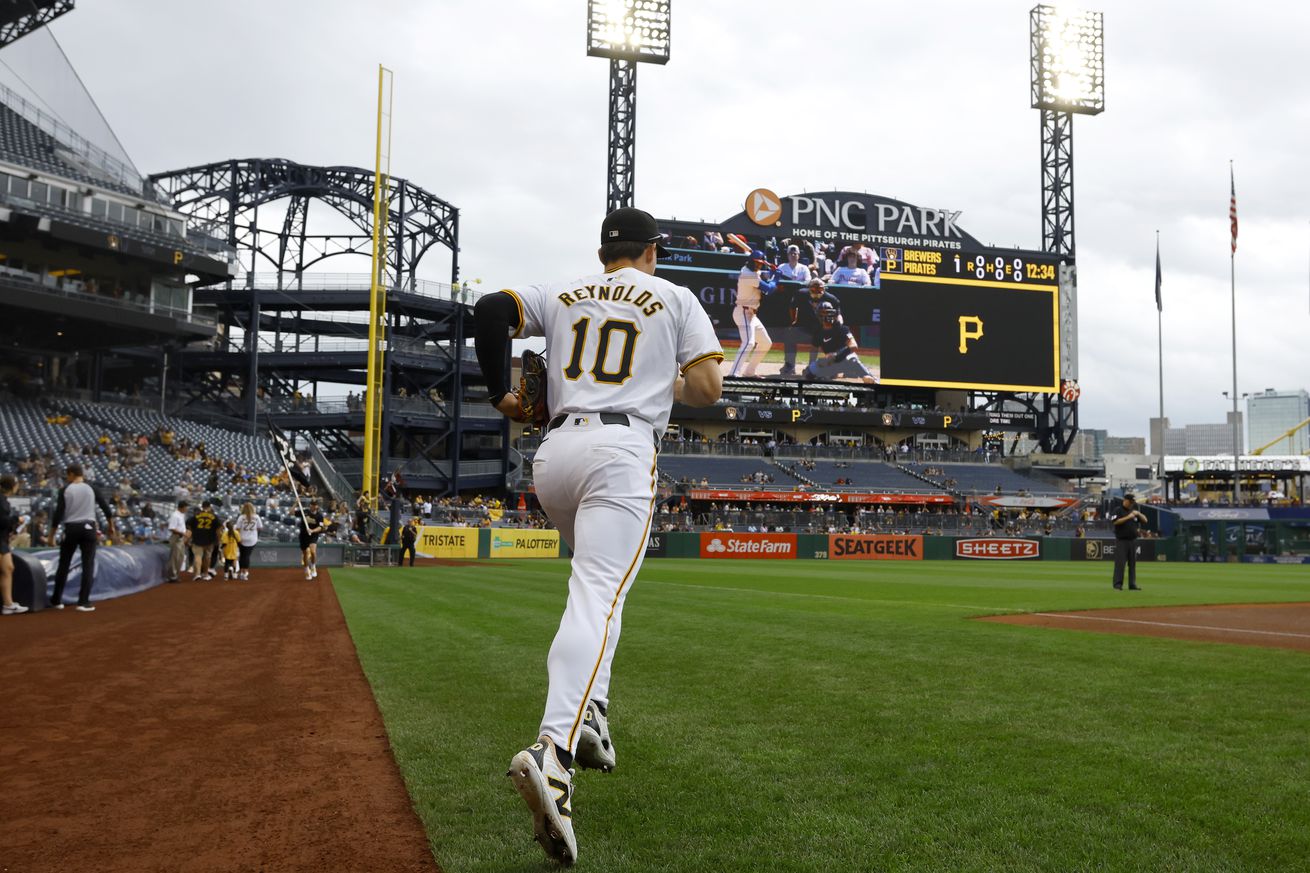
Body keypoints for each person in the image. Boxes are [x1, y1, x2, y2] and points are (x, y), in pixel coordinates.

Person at [474, 206, 723, 865]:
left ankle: (594, 711)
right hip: (620, 448)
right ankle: (553, 751)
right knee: (595, 593)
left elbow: (488, 311)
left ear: (604, 251)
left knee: (598, 586)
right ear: (653, 250)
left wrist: (502, 391)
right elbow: (707, 385)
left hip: (554, 455)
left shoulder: (563, 290)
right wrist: (661, 368)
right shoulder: (673, 295)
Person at [50, 463, 115, 612]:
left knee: (64, 564)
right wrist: (111, 526)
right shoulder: (91, 488)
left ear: (72, 474)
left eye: (67, 475)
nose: (67, 478)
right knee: (88, 564)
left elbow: (58, 513)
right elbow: (106, 508)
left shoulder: (65, 490)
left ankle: (56, 599)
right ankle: (83, 601)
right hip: (88, 528)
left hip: (71, 528)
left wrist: (52, 535)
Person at [781, 278, 843, 376]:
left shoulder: (832, 299)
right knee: (790, 334)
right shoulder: (801, 294)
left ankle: (820, 367)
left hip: (822, 329)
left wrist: (839, 324)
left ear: (824, 289)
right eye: (814, 289)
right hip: (804, 327)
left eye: (820, 289)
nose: (817, 292)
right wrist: (793, 320)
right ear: (809, 288)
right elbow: (792, 307)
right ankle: (789, 365)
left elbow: (838, 315)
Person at [802, 302, 877, 383]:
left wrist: (836, 355)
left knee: (852, 358)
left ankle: (868, 377)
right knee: (808, 373)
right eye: (822, 313)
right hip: (829, 362)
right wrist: (812, 365)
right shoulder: (818, 332)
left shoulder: (842, 329)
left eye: (828, 313)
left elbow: (854, 346)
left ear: (833, 314)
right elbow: (814, 350)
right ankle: (827, 375)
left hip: (845, 360)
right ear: (818, 315)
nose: (826, 316)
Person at [727, 250, 775, 377]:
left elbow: (761, 273)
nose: (758, 266)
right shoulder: (747, 274)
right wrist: (777, 277)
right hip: (743, 312)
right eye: (756, 263)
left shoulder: (751, 270)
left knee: (766, 342)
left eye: (760, 264)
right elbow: (769, 289)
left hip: (752, 315)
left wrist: (772, 271)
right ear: (750, 261)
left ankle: (749, 372)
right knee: (749, 342)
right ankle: (733, 374)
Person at [1, 475, 28, 615]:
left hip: (2, 539)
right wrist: (17, 519)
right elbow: (2, 521)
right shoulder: (1, 500)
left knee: (8, 568)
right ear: (13, 486)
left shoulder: (4, 500)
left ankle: (8, 604)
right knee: (6, 569)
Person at [1112, 494, 1147, 590]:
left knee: (1132, 564)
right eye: (1130, 502)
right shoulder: (1118, 510)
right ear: (1125, 500)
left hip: (1132, 541)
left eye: (1133, 503)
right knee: (1120, 563)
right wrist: (1128, 517)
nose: (1131, 504)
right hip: (1122, 540)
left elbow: (1145, 520)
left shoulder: (1133, 511)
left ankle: (1132, 584)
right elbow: (1115, 522)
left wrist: (1138, 514)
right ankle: (1117, 585)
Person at [186, 500, 219, 580]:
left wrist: (190, 536)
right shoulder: (213, 516)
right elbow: (219, 528)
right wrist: (217, 538)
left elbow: (188, 524)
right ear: (209, 507)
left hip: (197, 538)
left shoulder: (197, 515)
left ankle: (197, 574)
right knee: (207, 557)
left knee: (198, 556)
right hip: (210, 539)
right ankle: (205, 574)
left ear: (202, 506)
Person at [234, 502, 262, 580]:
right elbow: (260, 527)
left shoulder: (241, 517)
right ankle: (245, 572)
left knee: (242, 555)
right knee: (247, 556)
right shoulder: (256, 517)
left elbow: (237, 529)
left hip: (241, 538)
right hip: (252, 539)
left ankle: (241, 572)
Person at [299, 498, 326, 580]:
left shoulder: (319, 516)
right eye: (311, 504)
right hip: (303, 535)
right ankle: (306, 569)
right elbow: (291, 512)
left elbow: (320, 527)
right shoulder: (305, 512)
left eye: (314, 505)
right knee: (305, 554)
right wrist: (296, 503)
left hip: (313, 535)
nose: (313, 506)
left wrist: (312, 530)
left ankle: (313, 566)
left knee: (313, 551)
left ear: (317, 506)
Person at [167, 500, 189, 582]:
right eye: (186, 507)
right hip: (176, 537)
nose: (187, 509)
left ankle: (175, 574)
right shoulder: (175, 515)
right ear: (182, 507)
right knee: (175, 557)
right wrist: (183, 533)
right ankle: (172, 576)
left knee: (180, 557)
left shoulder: (181, 515)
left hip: (180, 538)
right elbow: (172, 528)